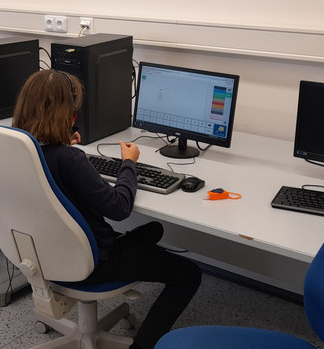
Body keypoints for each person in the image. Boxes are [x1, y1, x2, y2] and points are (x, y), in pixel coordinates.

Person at [12, 69, 201, 349]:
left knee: (154, 230)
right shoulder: (71, 160)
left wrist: (60, 144)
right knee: (189, 275)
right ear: (70, 115)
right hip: (93, 262)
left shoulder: (19, 151)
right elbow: (120, 207)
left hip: (42, 255)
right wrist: (129, 162)